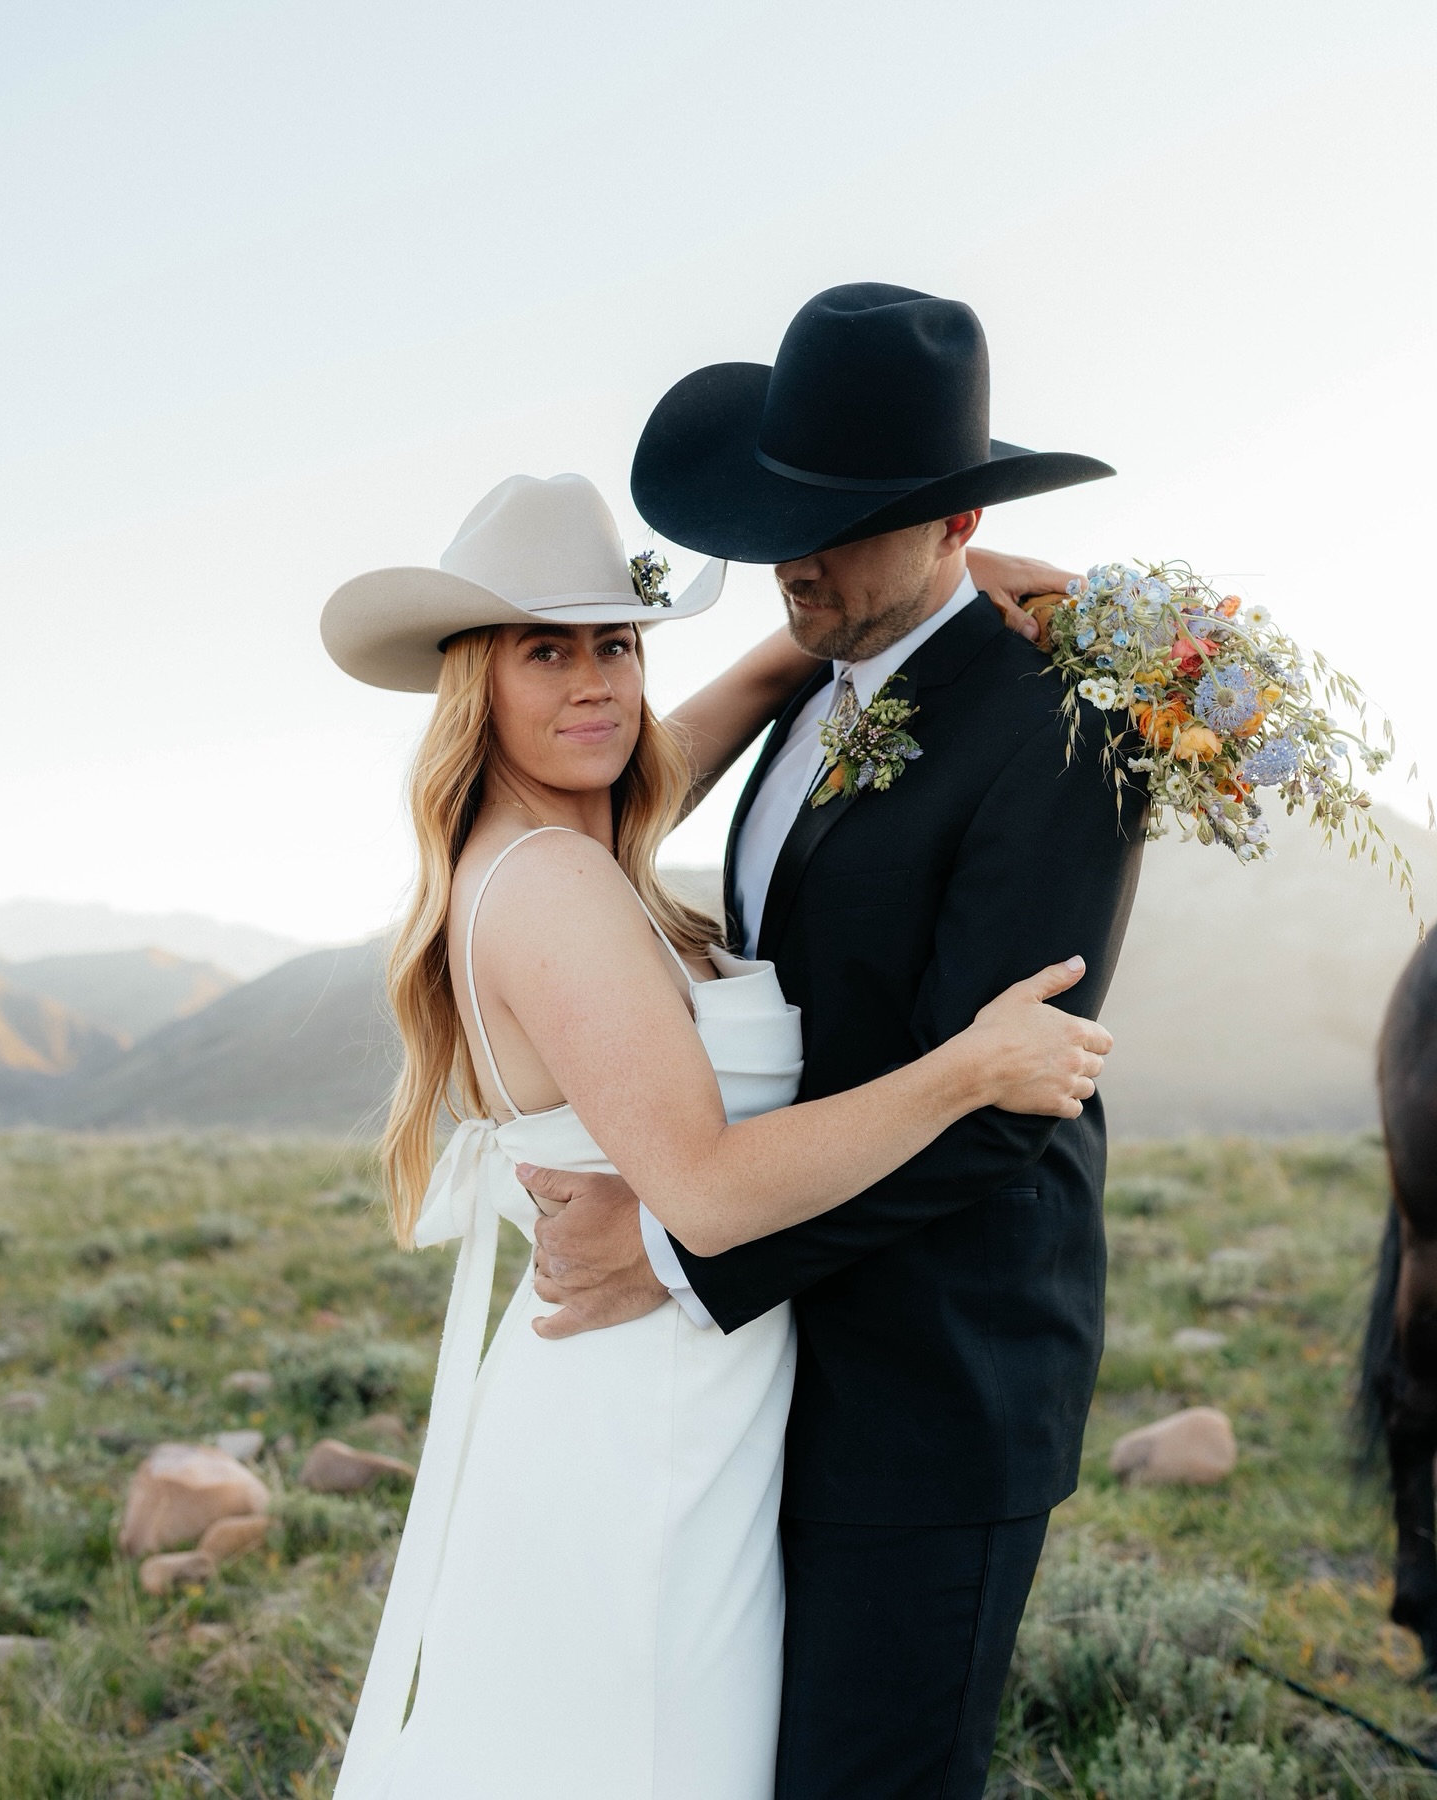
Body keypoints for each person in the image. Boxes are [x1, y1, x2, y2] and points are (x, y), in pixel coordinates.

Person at [319, 467, 1113, 1800]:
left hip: (700, 1394)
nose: (596, 685)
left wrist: (930, 587)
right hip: (651, 1416)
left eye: (617, 644)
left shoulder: (575, 829)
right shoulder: (554, 882)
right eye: (545, 651)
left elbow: (693, 723)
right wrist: (967, 1070)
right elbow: (706, 1192)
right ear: (475, 681)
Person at [520, 285, 1149, 1800]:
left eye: (847, 522)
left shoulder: (1061, 724)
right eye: (784, 514)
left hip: (937, 1387)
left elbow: (1003, 1105)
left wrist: (675, 1255)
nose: (795, 553)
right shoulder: (819, 683)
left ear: (958, 524)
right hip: (779, 1371)